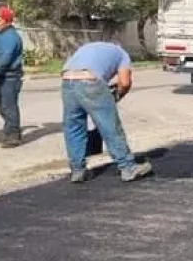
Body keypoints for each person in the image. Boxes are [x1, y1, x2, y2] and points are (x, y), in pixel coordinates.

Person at [61, 41, 153, 184]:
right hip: (90, 81)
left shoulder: (90, 47)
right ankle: (128, 167)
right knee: (110, 126)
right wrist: (117, 96)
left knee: (74, 127)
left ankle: (78, 170)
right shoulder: (122, 54)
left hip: (67, 81)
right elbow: (125, 82)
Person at [0, 5, 24, 148]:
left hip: (10, 77)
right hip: (2, 76)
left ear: (6, 21)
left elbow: (6, 57)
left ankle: (13, 135)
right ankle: (10, 131)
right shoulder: (1, 34)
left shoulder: (11, 37)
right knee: (2, 106)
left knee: (8, 106)